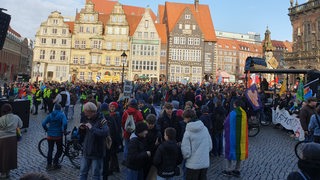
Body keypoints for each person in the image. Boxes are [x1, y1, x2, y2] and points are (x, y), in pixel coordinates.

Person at [79, 102, 109, 180]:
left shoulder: (102, 120)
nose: (85, 114)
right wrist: (82, 129)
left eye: (86, 112)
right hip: (86, 150)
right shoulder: (86, 118)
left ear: (91, 111)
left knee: (95, 174)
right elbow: (85, 134)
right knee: (82, 172)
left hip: (97, 152)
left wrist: (92, 128)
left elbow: (105, 132)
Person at [181, 109, 212, 180]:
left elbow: (186, 152)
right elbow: (210, 146)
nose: (184, 121)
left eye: (184, 118)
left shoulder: (188, 132)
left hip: (192, 165)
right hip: (204, 163)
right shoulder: (204, 129)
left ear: (188, 118)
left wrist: (186, 157)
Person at [222, 99, 248, 178]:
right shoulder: (244, 113)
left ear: (235, 105)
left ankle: (228, 169)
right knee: (239, 152)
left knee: (229, 151)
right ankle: (237, 169)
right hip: (241, 137)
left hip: (232, 136)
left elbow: (226, 123)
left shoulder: (233, 113)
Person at [42, 103, 68, 170]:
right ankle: (55, 162)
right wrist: (63, 129)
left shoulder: (50, 115)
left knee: (50, 150)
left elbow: (43, 123)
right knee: (60, 150)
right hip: (58, 135)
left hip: (50, 136)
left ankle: (49, 165)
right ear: (60, 108)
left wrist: (47, 129)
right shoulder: (62, 115)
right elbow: (65, 123)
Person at [0, 103, 23, 178]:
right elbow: (20, 125)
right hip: (12, 139)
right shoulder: (16, 117)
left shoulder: (1, 119)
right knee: (10, 155)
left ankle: (3, 172)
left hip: (2, 139)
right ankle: (8, 172)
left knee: (2, 155)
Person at [121, 99, 144, 164]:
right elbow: (141, 121)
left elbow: (122, 122)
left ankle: (125, 160)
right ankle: (132, 159)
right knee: (134, 147)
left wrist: (125, 129)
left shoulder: (126, 112)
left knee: (126, 146)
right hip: (135, 132)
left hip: (127, 132)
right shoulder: (138, 112)